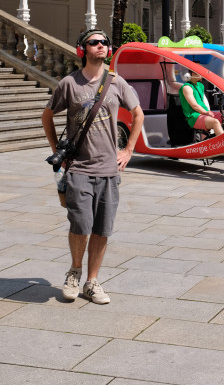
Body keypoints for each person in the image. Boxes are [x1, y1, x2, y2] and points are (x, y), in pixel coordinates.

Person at [41, 29, 144, 305]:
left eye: (104, 42)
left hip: (109, 170)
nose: (101, 45)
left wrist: (128, 150)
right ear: (82, 49)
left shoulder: (117, 83)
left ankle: (92, 281)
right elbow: (47, 115)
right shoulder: (69, 83)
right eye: (94, 42)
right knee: (80, 225)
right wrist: (56, 149)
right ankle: (74, 272)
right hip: (79, 168)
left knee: (102, 229)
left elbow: (138, 114)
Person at [179, 70, 224, 136]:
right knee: (215, 122)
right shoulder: (187, 87)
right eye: (200, 73)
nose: (202, 75)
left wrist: (208, 112)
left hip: (206, 114)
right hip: (194, 117)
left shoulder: (200, 85)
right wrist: (206, 112)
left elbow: (204, 102)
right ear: (193, 74)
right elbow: (194, 105)